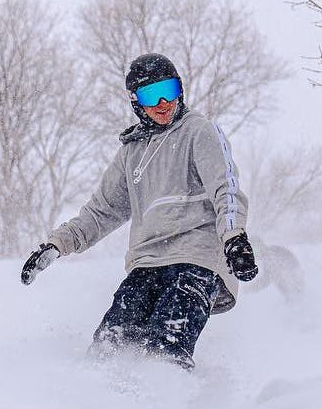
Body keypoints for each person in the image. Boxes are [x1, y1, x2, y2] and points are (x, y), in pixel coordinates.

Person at [19, 53, 258, 370]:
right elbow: (101, 212)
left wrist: (234, 238)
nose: (162, 103)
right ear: (136, 102)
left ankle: (167, 402)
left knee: (165, 346)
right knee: (109, 348)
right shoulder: (131, 152)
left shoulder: (200, 132)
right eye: (150, 95)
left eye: (170, 90)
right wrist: (56, 245)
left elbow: (225, 188)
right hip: (147, 263)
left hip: (197, 260)